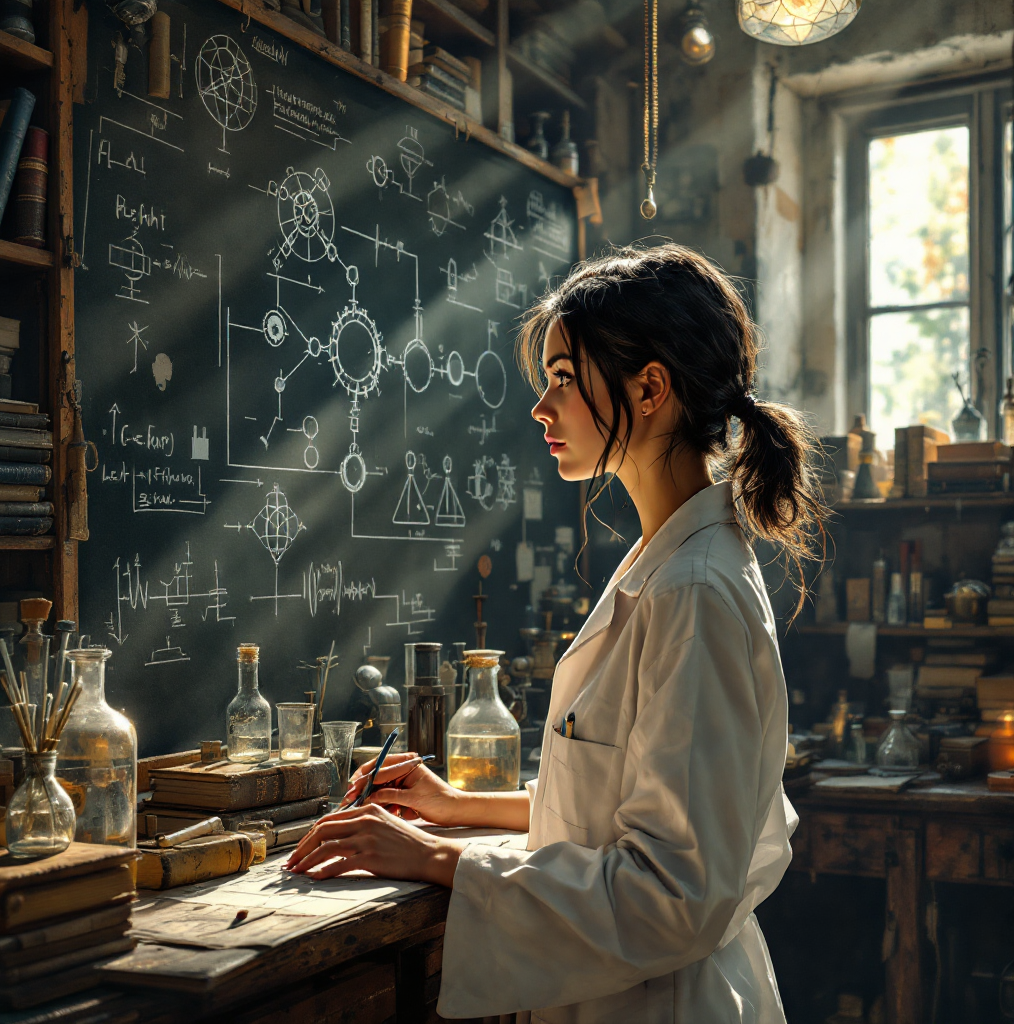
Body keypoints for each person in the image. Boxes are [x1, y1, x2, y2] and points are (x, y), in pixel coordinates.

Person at [286, 242, 826, 1023]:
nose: (541, 407)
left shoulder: (694, 592)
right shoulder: (663, 560)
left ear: (650, 389)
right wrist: (457, 806)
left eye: (564, 381)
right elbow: (614, 798)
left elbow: (672, 894)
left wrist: (436, 859)